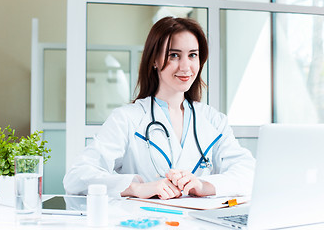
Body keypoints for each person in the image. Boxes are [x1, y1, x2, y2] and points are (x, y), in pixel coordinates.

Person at [63, 16, 255, 200]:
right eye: (174, 55)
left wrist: (204, 185)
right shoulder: (128, 118)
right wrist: (136, 188)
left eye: (193, 55)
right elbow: (76, 177)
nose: (186, 66)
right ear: (154, 60)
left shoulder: (213, 120)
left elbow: (249, 173)